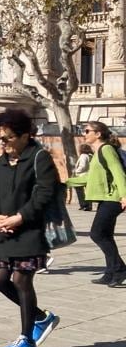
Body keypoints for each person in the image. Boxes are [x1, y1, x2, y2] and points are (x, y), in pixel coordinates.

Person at [0, 109, 61, 347]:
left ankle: (26, 339)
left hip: (29, 230)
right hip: (4, 230)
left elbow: (44, 193)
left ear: (24, 136)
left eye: (8, 138)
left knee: (21, 281)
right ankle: (41, 317)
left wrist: (19, 217)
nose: (3, 143)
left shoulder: (39, 157)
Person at [66, 122, 126, 286]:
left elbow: (118, 172)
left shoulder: (106, 149)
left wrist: (124, 196)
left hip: (113, 198)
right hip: (106, 198)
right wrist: (66, 182)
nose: (84, 133)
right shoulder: (97, 151)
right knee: (106, 235)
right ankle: (110, 273)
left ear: (98, 134)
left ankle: (119, 269)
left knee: (97, 234)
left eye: (86, 131)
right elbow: (89, 178)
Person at [72, 144, 93, 211]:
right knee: (88, 191)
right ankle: (88, 205)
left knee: (79, 189)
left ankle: (83, 205)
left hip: (81, 175)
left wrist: (76, 171)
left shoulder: (83, 156)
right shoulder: (90, 156)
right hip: (89, 175)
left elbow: (82, 166)